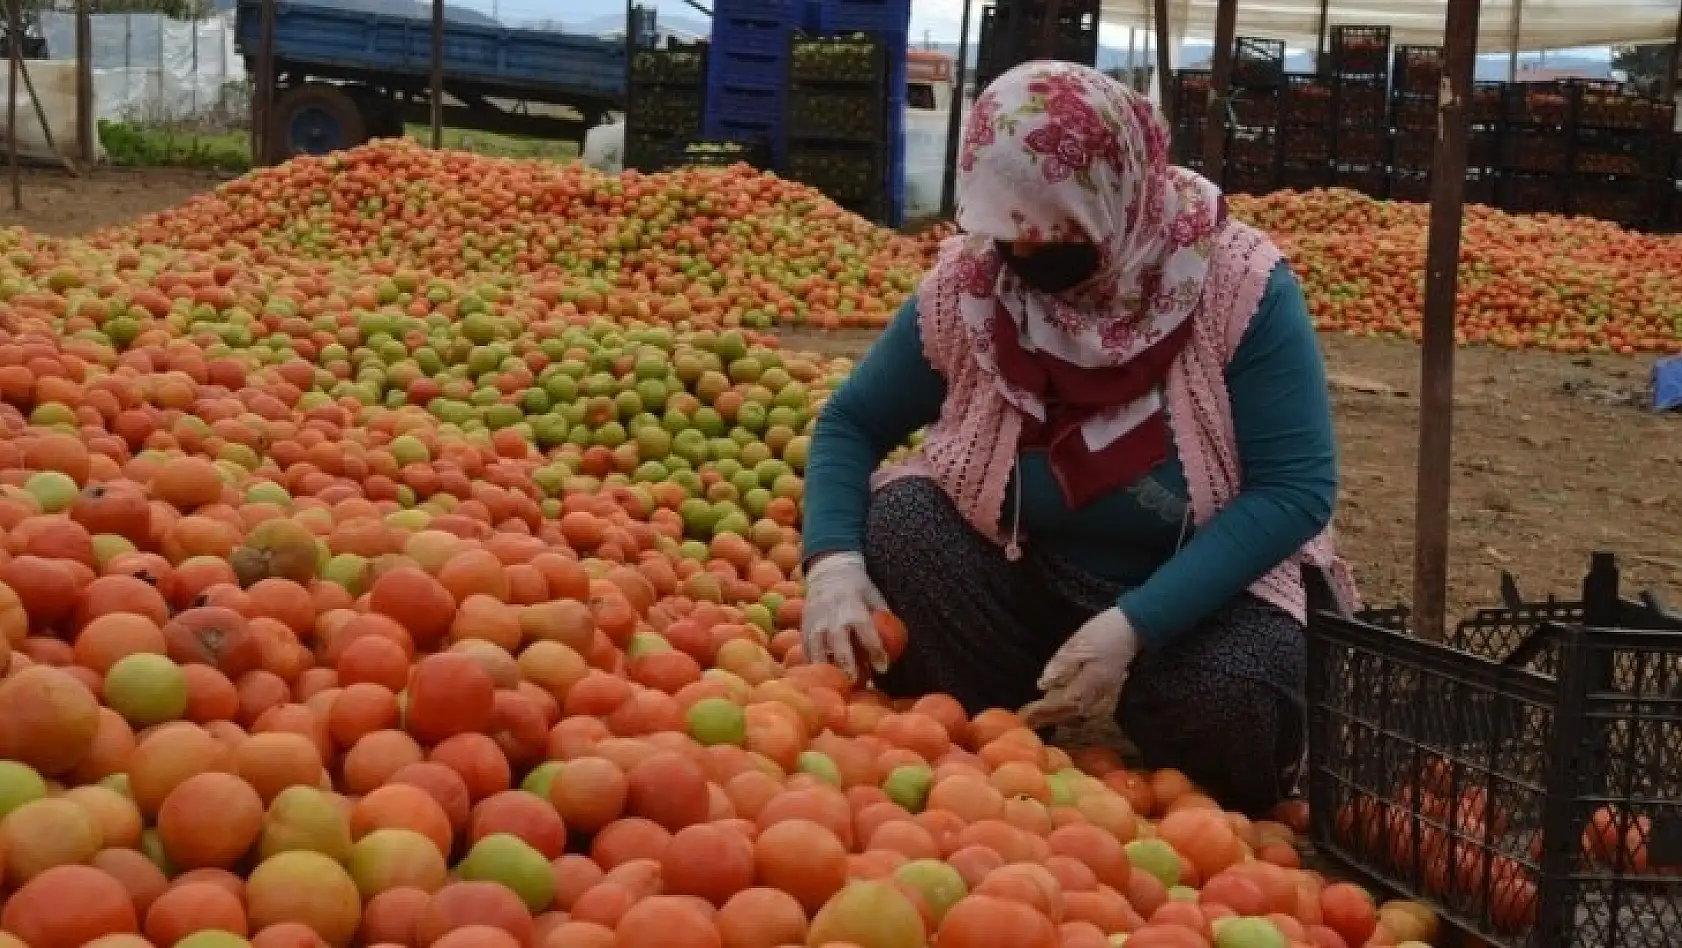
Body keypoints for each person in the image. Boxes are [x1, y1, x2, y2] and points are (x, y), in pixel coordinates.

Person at [798, 61, 1359, 816]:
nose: (1024, 259)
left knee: (1236, 698)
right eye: (1007, 232)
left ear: (1115, 194)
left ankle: (1160, 719)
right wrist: (831, 562)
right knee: (902, 527)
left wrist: (1136, 625)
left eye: (1053, 234)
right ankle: (994, 723)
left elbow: (1296, 490)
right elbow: (850, 424)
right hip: (1023, 574)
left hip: (1204, 597)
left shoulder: (1237, 286)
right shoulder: (971, 287)